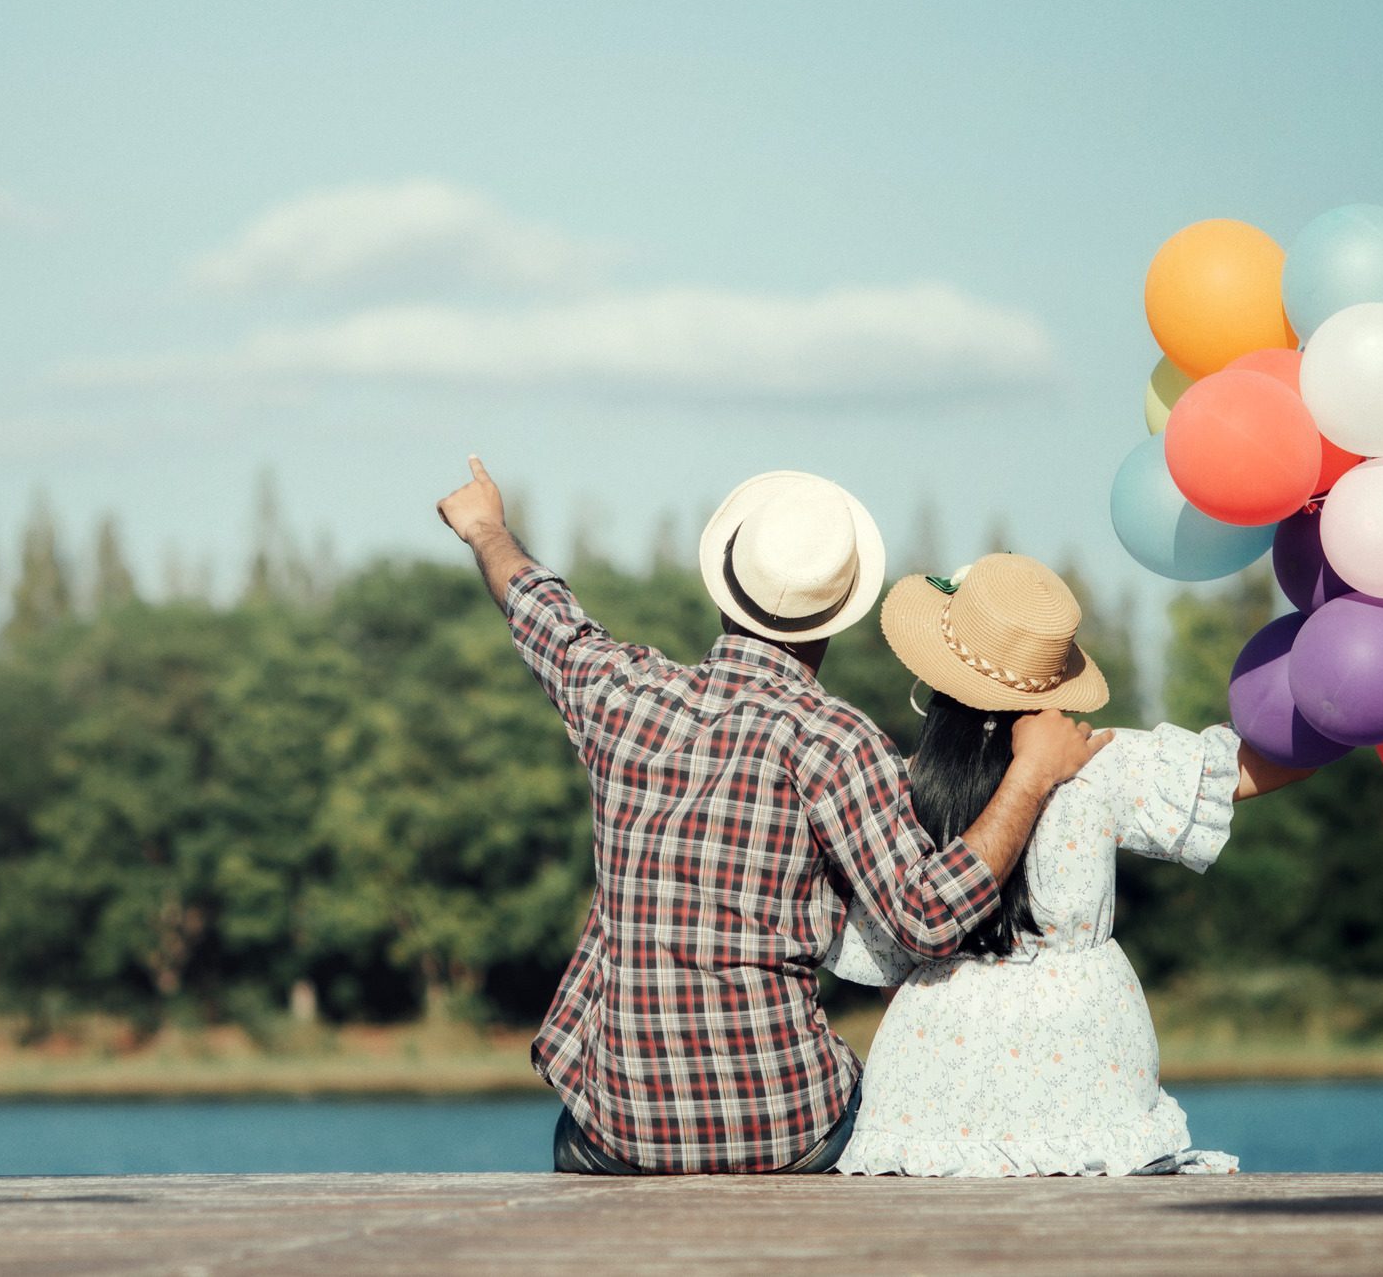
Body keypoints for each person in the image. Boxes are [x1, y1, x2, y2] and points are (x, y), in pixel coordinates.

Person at [435, 457, 1111, 1174]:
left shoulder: (620, 691)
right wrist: (1032, 774)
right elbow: (929, 916)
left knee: (575, 1123)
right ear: (835, 616)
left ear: (727, 585)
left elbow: (542, 610)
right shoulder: (836, 741)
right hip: (788, 1132)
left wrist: (485, 527)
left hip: (622, 1133)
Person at [825, 553, 1313, 1178]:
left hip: (929, 1084)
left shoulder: (902, 786)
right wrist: (1351, 697)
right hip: (1086, 1064)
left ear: (937, 680)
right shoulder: (1101, 763)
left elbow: (885, 952)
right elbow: (1257, 767)